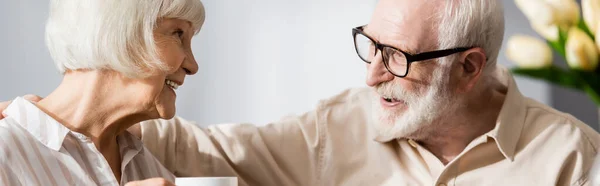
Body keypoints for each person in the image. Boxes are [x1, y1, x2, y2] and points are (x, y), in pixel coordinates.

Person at [2, 0, 599, 185]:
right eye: (370, 46)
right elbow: (215, 150)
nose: (371, 76)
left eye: (397, 58)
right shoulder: (340, 127)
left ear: (470, 67)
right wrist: (47, 115)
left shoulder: (576, 161)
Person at [0, 0, 204, 185]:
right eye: (178, 34)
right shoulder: (6, 152)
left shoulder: (149, 165)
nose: (193, 66)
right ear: (119, 30)